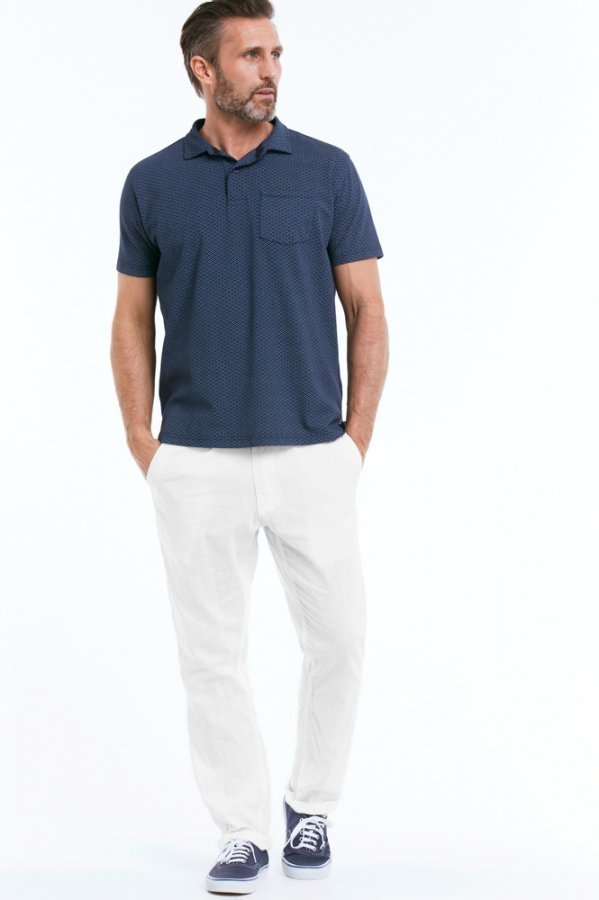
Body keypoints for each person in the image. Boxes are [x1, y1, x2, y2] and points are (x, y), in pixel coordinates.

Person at [110, 0, 388, 892]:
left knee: (339, 639)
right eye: (251, 55)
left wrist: (353, 441)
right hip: (195, 462)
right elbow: (130, 318)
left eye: (275, 53)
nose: (270, 70)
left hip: (312, 453)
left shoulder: (327, 170)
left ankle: (312, 806)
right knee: (211, 655)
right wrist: (144, 440)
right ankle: (239, 830)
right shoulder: (153, 182)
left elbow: (367, 310)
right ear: (204, 69)